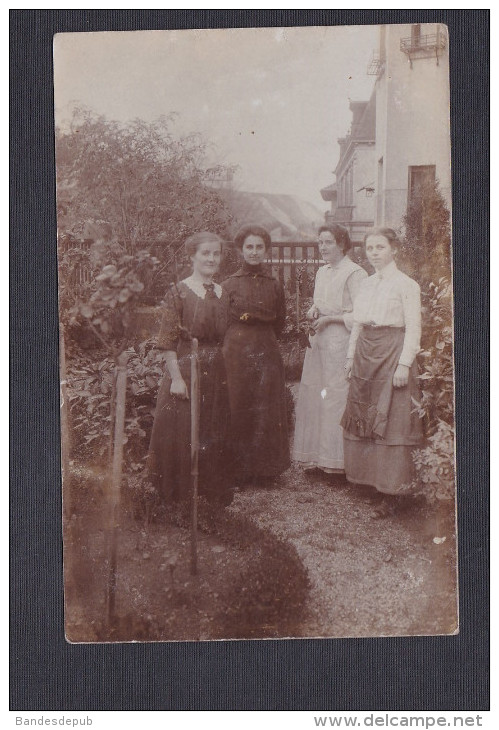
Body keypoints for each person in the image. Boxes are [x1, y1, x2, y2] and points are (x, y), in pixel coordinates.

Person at [147, 231, 233, 507]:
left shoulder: (222, 292)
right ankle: (177, 499)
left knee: (213, 427)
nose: (211, 258)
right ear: (192, 256)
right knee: (182, 430)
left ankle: (209, 496)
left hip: (214, 369)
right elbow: (167, 340)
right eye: (205, 253)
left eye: (216, 253)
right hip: (185, 367)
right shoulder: (179, 292)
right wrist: (176, 378)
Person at [341, 227, 424, 507]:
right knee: (364, 410)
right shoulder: (366, 283)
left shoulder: (406, 285)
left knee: (392, 416)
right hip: (366, 352)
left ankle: (392, 491)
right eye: (370, 248)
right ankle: (367, 481)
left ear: (394, 249)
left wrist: (404, 364)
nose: (374, 253)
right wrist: (351, 358)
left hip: (392, 352)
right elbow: (358, 324)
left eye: (380, 247)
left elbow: (414, 327)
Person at [293, 224, 367, 475]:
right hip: (320, 340)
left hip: (341, 340)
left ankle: (336, 463)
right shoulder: (322, 272)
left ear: (342, 244)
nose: (322, 247)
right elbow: (321, 301)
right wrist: (314, 310)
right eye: (320, 242)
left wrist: (330, 319)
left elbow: (361, 314)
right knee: (316, 394)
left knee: (335, 397)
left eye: (328, 242)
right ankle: (316, 457)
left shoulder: (355, 273)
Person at [222, 224, 290, 485]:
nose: (254, 252)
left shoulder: (274, 285)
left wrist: (265, 340)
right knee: (238, 405)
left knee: (267, 407)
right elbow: (223, 320)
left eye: (259, 247)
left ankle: (266, 471)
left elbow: (280, 321)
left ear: (266, 250)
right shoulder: (228, 285)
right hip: (236, 350)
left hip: (266, 349)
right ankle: (237, 471)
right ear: (240, 250)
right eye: (249, 247)